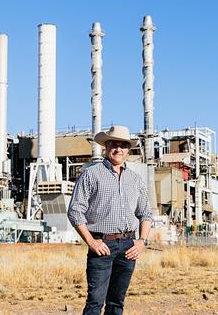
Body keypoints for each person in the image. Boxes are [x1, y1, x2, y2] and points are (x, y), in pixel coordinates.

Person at [67, 125, 153, 315]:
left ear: (128, 150)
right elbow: (74, 211)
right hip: (102, 245)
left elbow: (146, 213)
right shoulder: (91, 174)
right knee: (95, 302)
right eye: (113, 144)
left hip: (129, 247)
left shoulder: (136, 179)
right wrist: (91, 241)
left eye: (123, 145)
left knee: (116, 303)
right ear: (106, 147)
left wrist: (142, 242)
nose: (118, 149)